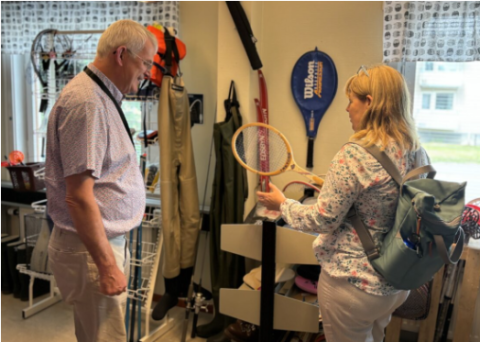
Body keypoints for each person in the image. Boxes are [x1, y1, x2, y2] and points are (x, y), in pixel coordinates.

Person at [257, 64, 430, 342]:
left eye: (351, 101)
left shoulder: (353, 155)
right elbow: (391, 202)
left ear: (369, 103)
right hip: (397, 281)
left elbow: (322, 221)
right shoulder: (416, 151)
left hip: (355, 285)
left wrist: (283, 204)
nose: (347, 108)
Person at [45, 20, 157, 342]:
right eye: (145, 62)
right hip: (91, 250)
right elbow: (79, 197)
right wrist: (107, 266)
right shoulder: (88, 103)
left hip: (95, 246)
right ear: (121, 54)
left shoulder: (101, 96)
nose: (148, 72)